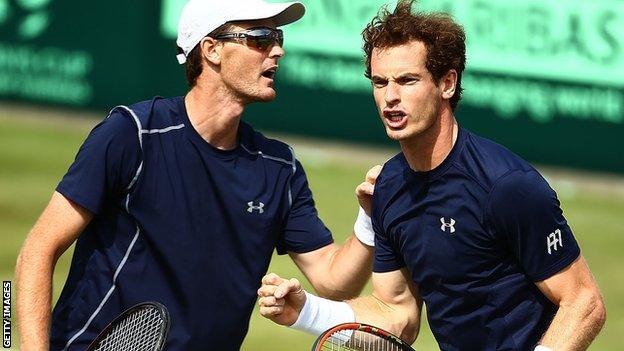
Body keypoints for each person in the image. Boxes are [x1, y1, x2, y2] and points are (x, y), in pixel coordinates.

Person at [15, 0, 378, 349]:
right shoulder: (133, 134)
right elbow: (35, 252)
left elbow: (333, 282)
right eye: (260, 38)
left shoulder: (279, 167)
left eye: (278, 38)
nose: (277, 50)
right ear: (211, 50)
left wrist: (368, 218)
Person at [258, 1, 607, 350]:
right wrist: (306, 312)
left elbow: (584, 303)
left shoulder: (505, 186)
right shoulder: (388, 189)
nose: (390, 97)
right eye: (380, 82)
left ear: (447, 83)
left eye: (407, 81)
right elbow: (397, 316)